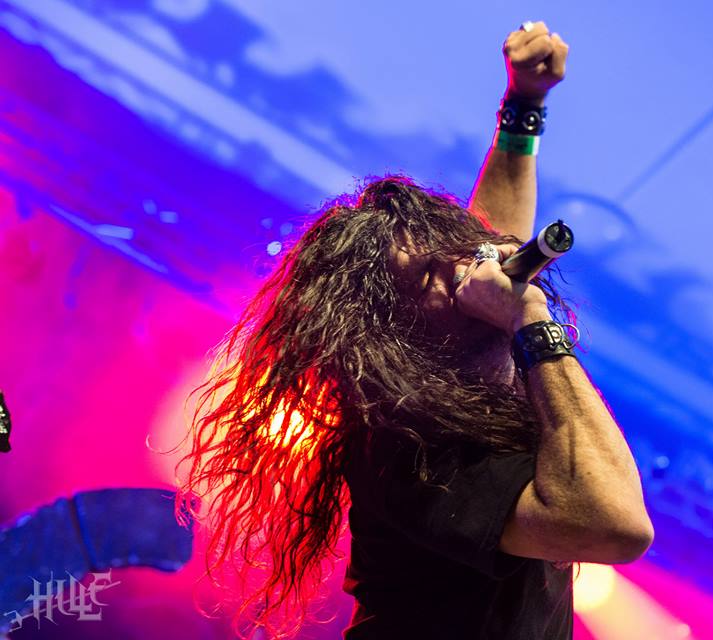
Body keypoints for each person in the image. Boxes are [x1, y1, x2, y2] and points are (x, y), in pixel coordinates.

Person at [176, 21, 653, 640]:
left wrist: (523, 104)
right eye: (431, 274)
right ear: (394, 335)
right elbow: (617, 525)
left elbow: (492, 231)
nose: (466, 269)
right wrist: (533, 320)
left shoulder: (458, 372)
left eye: (457, 251)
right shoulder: (412, 449)